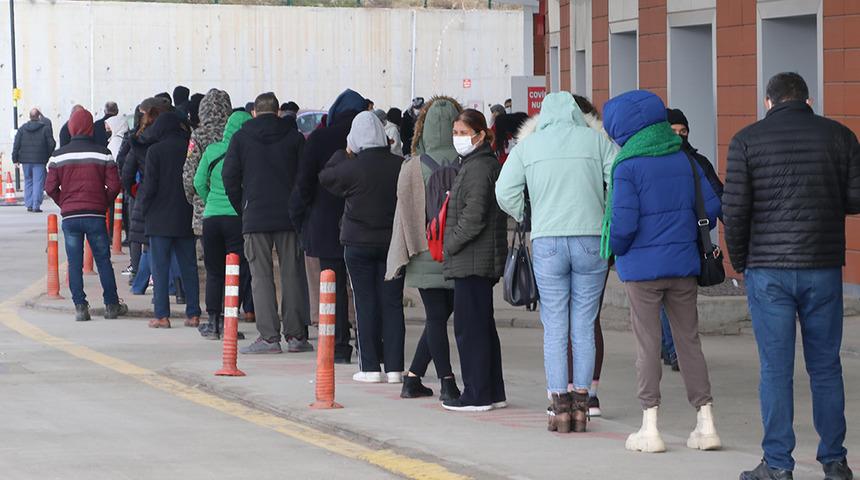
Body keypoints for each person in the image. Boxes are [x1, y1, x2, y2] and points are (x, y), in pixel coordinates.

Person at [725, 72, 859, 480]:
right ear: (808, 100)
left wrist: (742, 262)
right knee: (826, 366)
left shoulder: (746, 141)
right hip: (822, 266)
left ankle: (778, 465)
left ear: (768, 102)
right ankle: (834, 461)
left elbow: (735, 211)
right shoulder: (841, 136)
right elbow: (855, 199)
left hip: (768, 271)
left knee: (775, 369)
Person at [601, 90, 721, 453]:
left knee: (648, 345)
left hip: (641, 270)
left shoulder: (627, 165)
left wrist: (615, 250)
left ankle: (650, 427)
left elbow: (622, 225)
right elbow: (712, 207)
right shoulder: (684, 158)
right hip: (683, 265)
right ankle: (706, 423)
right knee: (689, 342)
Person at [496, 92, 616, 431]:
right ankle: (582, 403)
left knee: (554, 325)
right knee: (584, 324)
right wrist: (605, 212)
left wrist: (526, 213)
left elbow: (504, 191)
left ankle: (559, 407)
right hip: (591, 239)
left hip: (548, 240)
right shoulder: (597, 141)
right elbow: (619, 179)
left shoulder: (528, 147)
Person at [320, 111, 406, 383]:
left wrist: (344, 152)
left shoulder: (351, 168)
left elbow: (325, 176)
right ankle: (394, 368)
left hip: (358, 243)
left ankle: (370, 367)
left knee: (364, 303)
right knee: (392, 304)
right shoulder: (400, 166)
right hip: (393, 244)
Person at [386, 96, 462, 400]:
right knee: (441, 317)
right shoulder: (467, 162)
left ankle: (415, 378)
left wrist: (402, 255)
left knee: (435, 318)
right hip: (459, 251)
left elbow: (403, 217)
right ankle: (446, 382)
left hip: (424, 251)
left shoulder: (411, 167)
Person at [224, 92, 312, 354]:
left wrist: (243, 206)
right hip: (288, 217)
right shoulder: (295, 138)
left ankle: (269, 338)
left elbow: (229, 176)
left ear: (254, 112)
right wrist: (297, 207)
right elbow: (305, 177)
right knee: (292, 275)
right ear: (278, 111)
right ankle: (296, 336)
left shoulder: (241, 138)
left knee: (260, 277)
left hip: (255, 215)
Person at [289, 89, 367, 363]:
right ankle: (370, 346)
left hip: (326, 225)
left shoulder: (320, 138)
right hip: (365, 224)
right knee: (364, 287)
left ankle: (339, 346)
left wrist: (300, 219)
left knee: (333, 288)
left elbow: (304, 184)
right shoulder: (371, 138)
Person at [439, 109, 507, 412]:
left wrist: (449, 243)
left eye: (464, 133)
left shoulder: (478, 168)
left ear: (480, 135)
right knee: (482, 326)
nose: (458, 138)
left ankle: (477, 394)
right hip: (476, 257)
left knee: (471, 329)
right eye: (455, 132)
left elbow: (473, 216)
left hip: (473, 258)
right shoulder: (476, 163)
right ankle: (492, 391)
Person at [45, 108, 127, 322]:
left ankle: (80, 307)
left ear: (71, 127)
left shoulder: (58, 156)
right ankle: (111, 305)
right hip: (95, 216)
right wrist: (102, 202)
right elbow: (115, 185)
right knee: (103, 261)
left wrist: (65, 203)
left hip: (70, 217)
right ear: (91, 128)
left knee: (74, 263)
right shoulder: (103, 153)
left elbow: (50, 187)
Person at [137, 110, 201, 329]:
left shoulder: (155, 151)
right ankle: (193, 314)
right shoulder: (188, 148)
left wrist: (143, 210)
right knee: (189, 267)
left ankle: (162, 316)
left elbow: (149, 186)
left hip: (159, 219)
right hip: (184, 216)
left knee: (160, 269)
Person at [195, 111, 255, 340]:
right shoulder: (247, 152)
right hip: (236, 219)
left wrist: (210, 199)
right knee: (235, 271)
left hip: (211, 218)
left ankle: (212, 322)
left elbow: (198, 182)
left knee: (214, 272)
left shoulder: (212, 150)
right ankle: (228, 321)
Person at [122, 97, 171, 293]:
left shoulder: (138, 138)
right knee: (166, 242)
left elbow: (126, 171)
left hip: (144, 192)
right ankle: (169, 285)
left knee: (141, 238)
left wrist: (135, 190)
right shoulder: (173, 136)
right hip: (170, 194)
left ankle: (138, 280)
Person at [182, 89, 233, 250]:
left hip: (206, 209)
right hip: (233, 207)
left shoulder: (199, 135)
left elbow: (189, 173)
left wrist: (193, 198)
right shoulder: (235, 134)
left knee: (212, 258)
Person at [13, 108, 56, 213]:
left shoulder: (22, 129)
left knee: (28, 181)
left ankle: (29, 204)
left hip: (25, 161)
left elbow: (16, 144)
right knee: (38, 182)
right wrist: (47, 155)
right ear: (39, 117)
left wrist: (15, 159)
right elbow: (51, 144)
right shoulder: (45, 129)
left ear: (30, 116)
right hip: (39, 160)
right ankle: (36, 205)